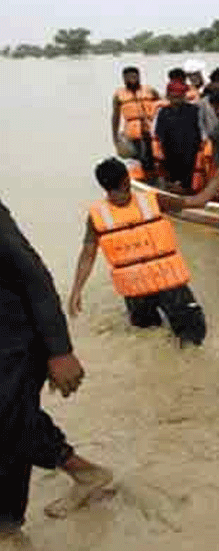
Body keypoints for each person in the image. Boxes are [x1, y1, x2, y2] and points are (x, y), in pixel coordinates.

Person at [1, 199, 112, 536]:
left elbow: (35, 278)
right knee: (14, 421)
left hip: (16, 342)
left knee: (10, 424)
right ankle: (86, 474)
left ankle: (7, 526)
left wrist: (59, 351)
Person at [68, 158, 219, 346]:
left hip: (135, 289)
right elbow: (197, 201)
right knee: (194, 335)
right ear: (127, 180)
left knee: (147, 339)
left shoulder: (96, 216)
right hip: (168, 281)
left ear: (103, 186)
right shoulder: (153, 199)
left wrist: (76, 291)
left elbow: (87, 255)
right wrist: (217, 180)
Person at [154, 79, 205, 192]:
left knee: (190, 179)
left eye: (179, 96)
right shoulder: (163, 112)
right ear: (168, 96)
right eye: (173, 96)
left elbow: (200, 130)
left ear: (184, 96)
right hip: (170, 152)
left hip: (191, 151)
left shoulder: (194, 110)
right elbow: (159, 133)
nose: (176, 99)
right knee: (172, 180)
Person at [112, 66, 160, 172]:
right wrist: (115, 137)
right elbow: (115, 116)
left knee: (155, 155)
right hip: (132, 132)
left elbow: (161, 106)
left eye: (134, 76)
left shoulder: (150, 90)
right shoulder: (118, 95)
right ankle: (143, 177)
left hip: (151, 129)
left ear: (139, 77)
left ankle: (156, 175)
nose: (131, 79)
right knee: (139, 158)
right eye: (128, 77)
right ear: (124, 79)